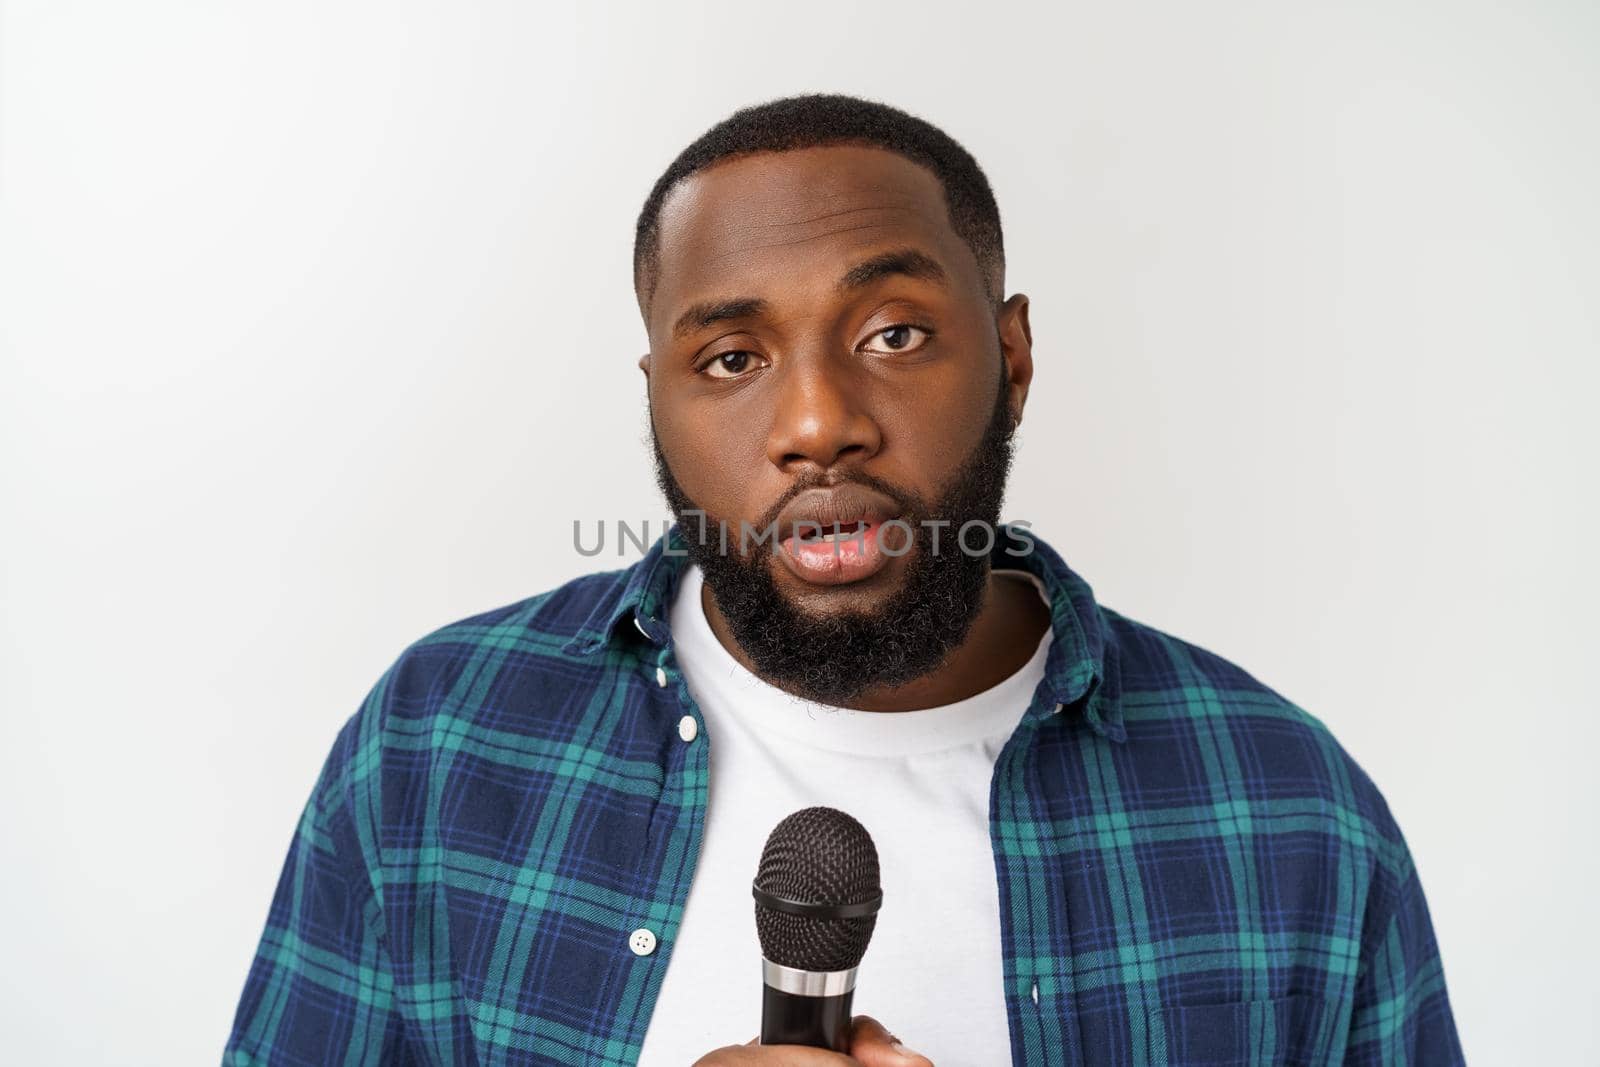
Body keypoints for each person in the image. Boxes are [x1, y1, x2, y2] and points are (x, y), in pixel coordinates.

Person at [225, 94, 1464, 1066]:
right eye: (730, 355)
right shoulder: (440, 745)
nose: (817, 423)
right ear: (654, 400)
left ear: (1013, 354)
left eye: (893, 334)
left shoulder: (1290, 813)